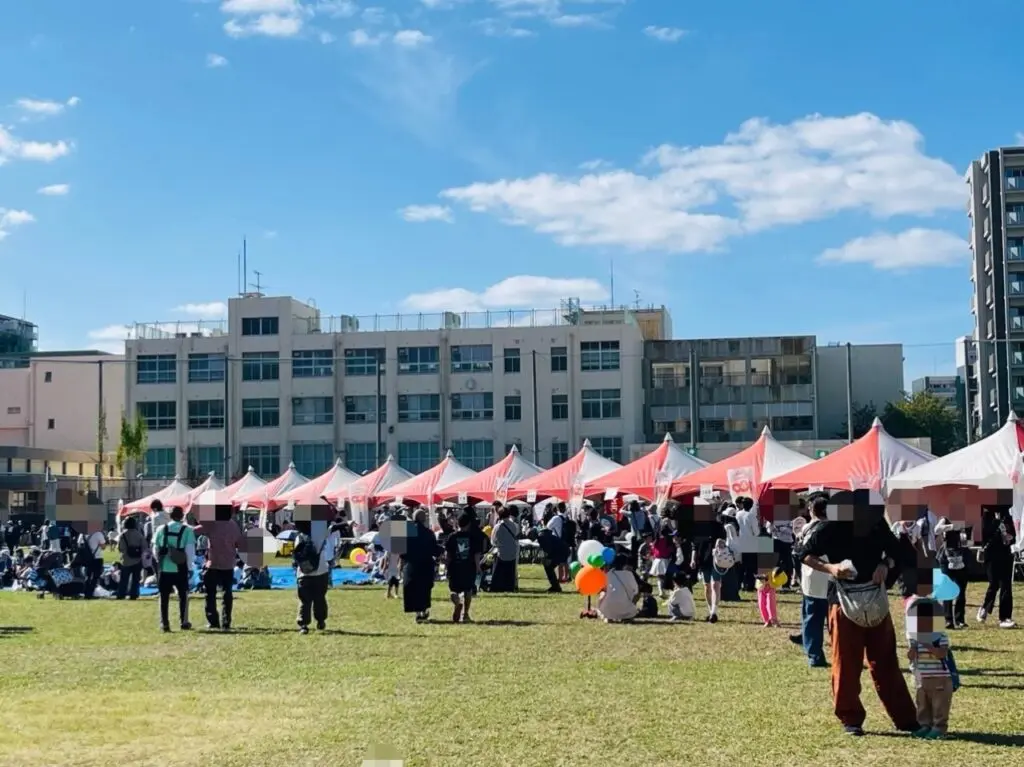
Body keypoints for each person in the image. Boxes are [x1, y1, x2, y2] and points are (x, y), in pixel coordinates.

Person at [797, 491, 918, 737]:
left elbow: (901, 554)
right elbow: (802, 554)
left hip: (874, 598)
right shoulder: (830, 527)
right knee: (846, 662)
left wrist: (886, 565)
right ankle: (850, 717)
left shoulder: (877, 524)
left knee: (885, 661)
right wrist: (830, 567)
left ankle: (906, 718)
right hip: (842, 600)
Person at [906, 593, 954, 739]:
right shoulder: (915, 637)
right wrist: (912, 650)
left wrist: (928, 644)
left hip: (940, 678)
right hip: (922, 677)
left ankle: (939, 727)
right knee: (922, 704)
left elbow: (941, 654)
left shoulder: (941, 637)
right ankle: (924, 725)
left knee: (939, 705)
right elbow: (911, 657)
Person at [194, 504, 244, 631]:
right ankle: (226, 621)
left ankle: (213, 621)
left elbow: (195, 530)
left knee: (210, 594)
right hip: (228, 564)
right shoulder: (233, 525)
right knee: (227, 593)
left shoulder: (212, 524)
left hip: (213, 563)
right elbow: (239, 542)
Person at [794, 496, 830, 667]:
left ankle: (814, 654)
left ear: (812, 509)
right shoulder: (834, 528)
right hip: (828, 579)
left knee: (812, 619)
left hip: (812, 579)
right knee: (832, 621)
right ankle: (836, 654)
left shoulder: (808, 528)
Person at [152, 507, 196, 633]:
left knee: (164, 597)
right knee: (183, 596)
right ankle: (184, 621)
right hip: (180, 568)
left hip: (164, 568)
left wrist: (160, 562)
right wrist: (189, 566)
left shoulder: (161, 529)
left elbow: (155, 550)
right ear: (182, 516)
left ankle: (164, 623)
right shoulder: (187, 530)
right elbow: (190, 551)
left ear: (170, 516)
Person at [292, 519, 339, 635]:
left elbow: (296, 557)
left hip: (303, 573)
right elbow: (333, 528)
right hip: (321, 570)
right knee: (320, 598)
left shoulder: (299, 537)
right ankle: (321, 620)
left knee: (304, 600)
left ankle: (303, 625)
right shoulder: (321, 535)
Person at [978, 506, 1015, 628]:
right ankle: (985, 607)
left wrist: (1010, 537)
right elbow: (985, 533)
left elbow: (1013, 532)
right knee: (994, 583)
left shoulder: (1007, 515)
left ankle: (1005, 617)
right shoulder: (987, 515)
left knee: (1006, 585)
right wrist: (997, 525)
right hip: (992, 553)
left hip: (1006, 552)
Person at [402, 509, 442, 623]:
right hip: (425, 565)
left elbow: (401, 552)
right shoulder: (428, 533)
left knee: (413, 589)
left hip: (411, 565)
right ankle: (423, 611)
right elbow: (435, 550)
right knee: (424, 589)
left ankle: (418, 612)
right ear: (424, 519)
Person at [690, 511, 728, 623]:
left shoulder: (718, 527)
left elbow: (724, 542)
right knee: (707, 586)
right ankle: (710, 609)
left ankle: (714, 612)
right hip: (703, 559)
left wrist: (718, 544)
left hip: (716, 559)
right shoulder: (697, 528)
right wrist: (693, 559)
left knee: (715, 584)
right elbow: (694, 546)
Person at [445, 511, 483, 623]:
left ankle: (457, 602)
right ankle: (466, 614)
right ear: (469, 524)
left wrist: (447, 565)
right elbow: (476, 554)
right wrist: (478, 567)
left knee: (453, 591)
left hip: (455, 568)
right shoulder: (473, 537)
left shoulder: (452, 537)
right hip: (469, 567)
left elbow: (449, 555)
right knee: (468, 590)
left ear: (458, 523)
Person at [935, 517, 968, 630]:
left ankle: (960, 620)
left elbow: (970, 539)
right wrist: (951, 527)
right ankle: (948, 620)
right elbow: (936, 530)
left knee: (961, 590)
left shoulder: (966, 518)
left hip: (961, 556)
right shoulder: (946, 519)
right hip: (946, 558)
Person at [597, 553, 640, 623]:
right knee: (637, 595)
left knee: (603, 592)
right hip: (626, 608)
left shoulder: (608, 574)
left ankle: (607, 615)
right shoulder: (629, 574)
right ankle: (627, 615)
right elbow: (636, 591)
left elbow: (603, 589)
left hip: (608, 608)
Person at [489, 503, 520, 593]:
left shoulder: (498, 527)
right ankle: (510, 587)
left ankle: (496, 587)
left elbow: (493, 541)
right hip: (513, 552)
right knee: (510, 572)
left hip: (501, 553)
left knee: (498, 571)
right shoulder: (514, 525)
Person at [116, 516, 146, 600]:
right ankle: (134, 595)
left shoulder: (122, 535)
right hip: (137, 560)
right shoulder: (139, 534)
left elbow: (120, 548)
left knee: (123, 579)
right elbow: (144, 547)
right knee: (136, 579)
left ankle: (121, 594)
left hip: (125, 560)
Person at [733, 496, 759, 591]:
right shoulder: (751, 516)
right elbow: (756, 531)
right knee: (750, 566)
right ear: (751, 506)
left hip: (739, 542)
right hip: (750, 543)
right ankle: (749, 585)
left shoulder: (737, 514)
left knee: (740, 565)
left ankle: (738, 584)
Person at [648, 531, 673, 597]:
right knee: (666, 577)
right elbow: (670, 550)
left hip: (657, 560)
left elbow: (652, 549)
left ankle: (661, 591)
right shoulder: (667, 540)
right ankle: (667, 591)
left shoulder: (656, 541)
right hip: (665, 560)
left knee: (659, 577)